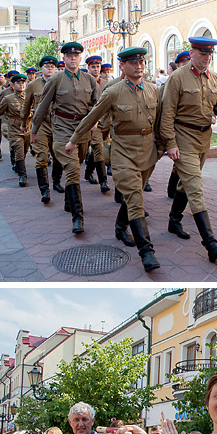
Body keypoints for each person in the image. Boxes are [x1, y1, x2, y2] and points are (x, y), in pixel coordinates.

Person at [65, 45, 162, 270]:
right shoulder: (113, 91)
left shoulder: (152, 90)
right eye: (133, 63)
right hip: (124, 153)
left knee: (132, 194)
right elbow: (92, 117)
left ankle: (120, 228)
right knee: (136, 197)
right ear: (122, 66)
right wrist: (73, 140)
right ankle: (147, 252)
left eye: (141, 62)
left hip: (148, 152)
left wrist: (165, 146)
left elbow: (161, 122)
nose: (139, 66)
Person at [160, 35, 217, 262]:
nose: (207, 58)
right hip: (184, 137)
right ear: (191, 53)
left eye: (209, 54)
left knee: (186, 183)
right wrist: (170, 143)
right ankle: (210, 244)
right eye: (203, 53)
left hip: (203, 139)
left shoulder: (214, 79)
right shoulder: (177, 78)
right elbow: (167, 113)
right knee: (196, 187)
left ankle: (174, 220)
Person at [31, 42, 98, 234]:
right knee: (73, 167)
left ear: (80, 58)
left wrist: (94, 119)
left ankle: (69, 201)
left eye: (76, 56)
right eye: (69, 56)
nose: (73, 58)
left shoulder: (89, 80)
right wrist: (34, 130)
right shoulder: (56, 80)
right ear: (64, 59)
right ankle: (78, 218)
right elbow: (43, 106)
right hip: (61, 129)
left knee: (78, 161)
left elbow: (97, 103)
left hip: (83, 129)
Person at [21, 55, 59, 201]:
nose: (50, 68)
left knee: (58, 156)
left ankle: (56, 181)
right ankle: (45, 190)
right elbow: (26, 105)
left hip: (57, 123)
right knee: (42, 157)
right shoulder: (33, 85)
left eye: (52, 66)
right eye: (46, 66)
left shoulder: (60, 82)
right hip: (40, 124)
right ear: (41, 68)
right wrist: (24, 122)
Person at [0, 70, 29, 186]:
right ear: (12, 85)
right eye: (18, 83)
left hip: (27, 128)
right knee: (19, 150)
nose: (21, 85)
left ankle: (18, 162)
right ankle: (22, 175)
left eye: (23, 83)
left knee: (25, 150)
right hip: (14, 128)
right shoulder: (8, 98)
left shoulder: (29, 97)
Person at [81, 54, 110, 194]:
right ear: (88, 68)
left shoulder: (106, 83)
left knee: (97, 149)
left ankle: (88, 172)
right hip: (93, 122)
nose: (96, 69)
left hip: (107, 122)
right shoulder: (84, 83)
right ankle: (103, 181)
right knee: (98, 147)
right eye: (93, 67)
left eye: (98, 66)